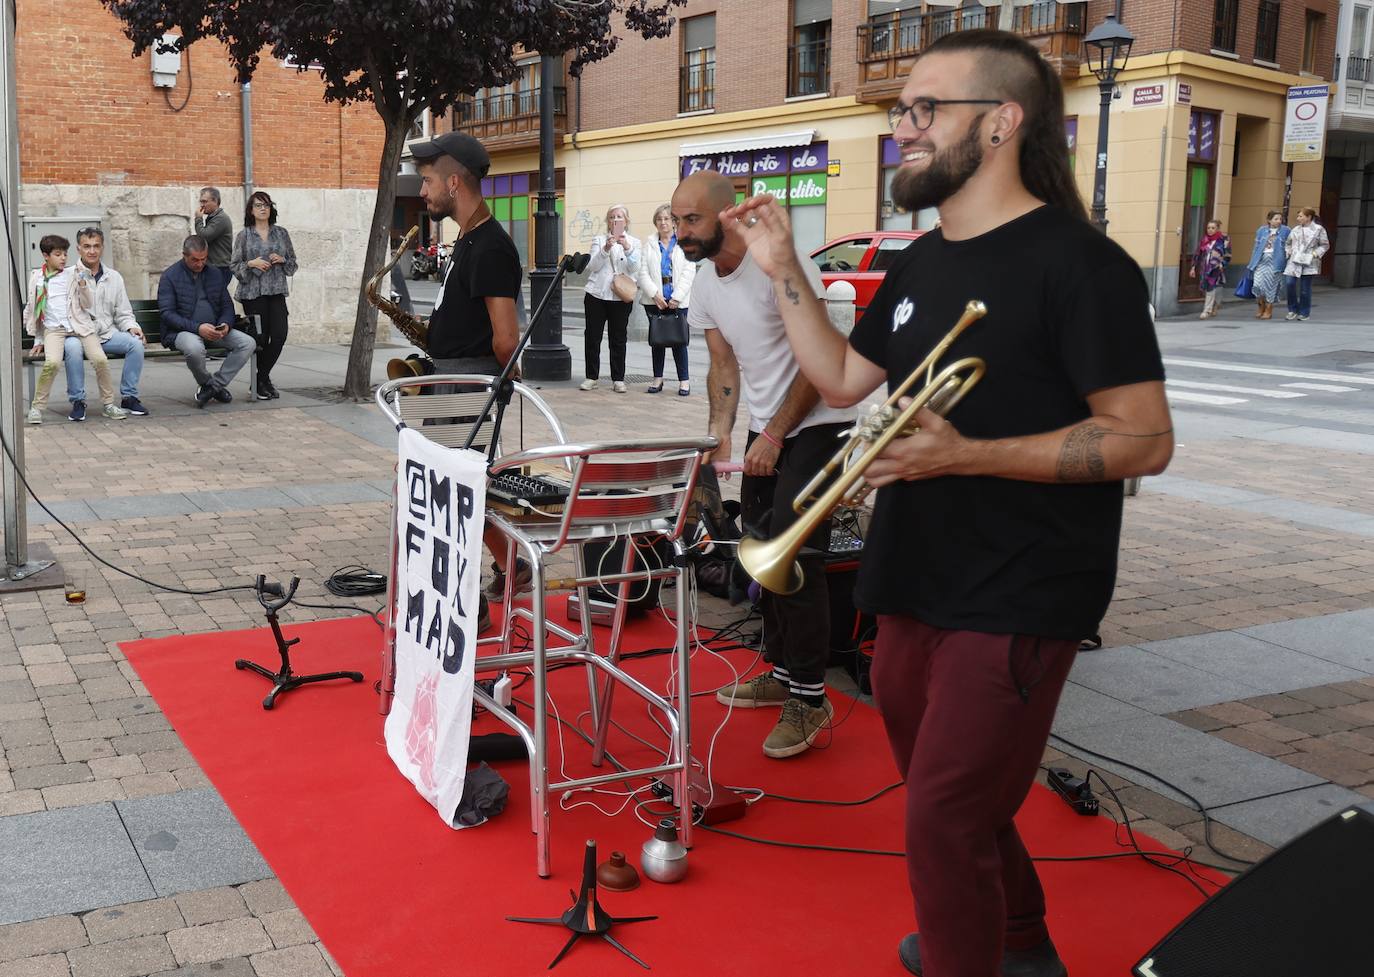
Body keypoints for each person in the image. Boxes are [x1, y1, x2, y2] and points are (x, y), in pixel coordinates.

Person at [722, 29, 1173, 977]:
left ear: (1002, 122)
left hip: (1023, 587)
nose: (905, 130)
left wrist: (969, 453)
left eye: (927, 110)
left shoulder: (1082, 266)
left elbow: (1143, 438)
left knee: (941, 816)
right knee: (953, 797)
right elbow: (843, 377)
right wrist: (783, 268)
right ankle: (1015, 938)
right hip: (915, 571)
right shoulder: (925, 262)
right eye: (902, 112)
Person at [673, 170, 855, 759]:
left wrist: (776, 433)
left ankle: (811, 699)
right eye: (676, 220)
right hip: (768, 427)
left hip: (822, 421)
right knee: (759, 551)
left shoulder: (778, 260)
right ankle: (782, 673)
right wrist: (719, 435)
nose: (681, 232)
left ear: (727, 215)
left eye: (691, 219)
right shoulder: (704, 281)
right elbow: (723, 367)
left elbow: (819, 353)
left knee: (795, 558)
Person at [407, 130, 531, 610]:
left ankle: (474, 582)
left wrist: (506, 375)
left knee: (453, 486)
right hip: (452, 380)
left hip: (467, 387)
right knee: (452, 485)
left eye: (428, 182)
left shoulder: (491, 247)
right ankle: (509, 564)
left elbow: (505, 336)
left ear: (454, 182)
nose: (423, 192)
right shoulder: (469, 239)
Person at [24, 235, 127, 424]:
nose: (63, 258)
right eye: (58, 254)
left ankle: (108, 404)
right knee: (52, 364)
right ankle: (37, 407)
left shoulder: (73, 273)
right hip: (54, 329)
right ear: (45, 256)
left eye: (65, 254)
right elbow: (34, 311)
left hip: (80, 325)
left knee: (100, 360)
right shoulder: (37, 278)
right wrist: (38, 339)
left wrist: (83, 285)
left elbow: (89, 305)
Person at [157, 235, 258, 407]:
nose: (199, 263)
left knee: (247, 343)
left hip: (215, 328)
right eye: (194, 260)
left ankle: (213, 386)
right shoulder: (170, 276)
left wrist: (226, 324)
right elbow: (167, 314)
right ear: (184, 255)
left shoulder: (214, 273)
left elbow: (226, 305)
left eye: (203, 259)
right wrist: (198, 328)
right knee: (194, 348)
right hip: (182, 331)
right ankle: (210, 385)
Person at [61, 228, 149, 419]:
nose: (91, 251)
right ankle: (78, 401)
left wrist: (132, 327)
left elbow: (123, 312)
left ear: (102, 248)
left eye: (96, 246)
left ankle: (129, 397)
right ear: (79, 249)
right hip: (79, 335)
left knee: (135, 343)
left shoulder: (114, 277)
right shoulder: (68, 276)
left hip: (106, 334)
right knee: (72, 348)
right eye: (86, 246)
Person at [231, 191, 298, 399]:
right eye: (258, 205)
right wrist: (251, 263)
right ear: (251, 210)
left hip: (276, 290)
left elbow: (293, 264)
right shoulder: (244, 235)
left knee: (279, 335)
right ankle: (262, 382)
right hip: (253, 293)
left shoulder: (281, 233)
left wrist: (282, 259)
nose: (263, 208)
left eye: (267, 205)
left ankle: (260, 378)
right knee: (260, 338)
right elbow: (234, 265)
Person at [636, 203, 695, 396]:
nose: (663, 223)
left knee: (679, 341)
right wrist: (655, 294)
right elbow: (642, 272)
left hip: (678, 299)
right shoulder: (649, 244)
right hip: (655, 300)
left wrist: (677, 297)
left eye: (667, 219)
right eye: (659, 219)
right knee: (658, 340)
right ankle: (657, 379)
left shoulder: (685, 242)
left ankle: (684, 381)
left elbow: (689, 271)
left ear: (674, 222)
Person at [581, 205, 639, 393]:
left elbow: (635, 268)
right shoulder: (599, 240)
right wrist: (606, 247)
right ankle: (591, 377)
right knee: (592, 336)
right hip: (597, 294)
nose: (615, 220)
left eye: (619, 217)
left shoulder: (634, 243)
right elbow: (593, 266)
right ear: (608, 221)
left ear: (626, 221)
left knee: (618, 337)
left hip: (621, 297)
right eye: (612, 217)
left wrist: (627, 247)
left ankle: (618, 378)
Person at [1283, 207, 1329, 321]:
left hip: (1309, 261)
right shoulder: (1295, 230)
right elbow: (1287, 243)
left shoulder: (1319, 229)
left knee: (1305, 288)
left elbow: (1325, 245)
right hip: (1294, 260)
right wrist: (1288, 252)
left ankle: (1304, 312)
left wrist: (1315, 253)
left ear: (1309, 217)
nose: (1298, 218)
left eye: (1301, 216)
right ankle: (1292, 309)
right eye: (1298, 216)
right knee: (1289, 284)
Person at [1245, 210, 1289, 320]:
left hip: (1275, 262)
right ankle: (1261, 306)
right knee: (1258, 285)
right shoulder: (1262, 230)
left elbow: (1289, 245)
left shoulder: (1286, 230)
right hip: (1261, 261)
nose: (1279, 221)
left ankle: (1269, 309)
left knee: (1270, 287)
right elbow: (1256, 246)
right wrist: (1252, 263)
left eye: (1280, 219)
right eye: (1276, 219)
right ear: (1269, 220)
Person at [1189, 218, 1231, 319]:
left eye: (1213, 228)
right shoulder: (1204, 240)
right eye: (1208, 228)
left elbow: (1228, 254)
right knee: (1207, 287)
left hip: (1216, 267)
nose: (1210, 230)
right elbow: (1197, 253)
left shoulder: (1224, 239)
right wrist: (1193, 267)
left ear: (1217, 229)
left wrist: (1222, 264)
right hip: (1205, 267)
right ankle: (1215, 304)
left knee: (1210, 287)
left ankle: (1206, 310)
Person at [195, 187, 233, 270]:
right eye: (201, 201)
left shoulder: (220, 218)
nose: (202, 205)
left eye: (204, 201)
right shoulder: (214, 217)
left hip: (220, 267)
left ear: (215, 201)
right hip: (215, 266)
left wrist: (198, 218)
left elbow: (203, 237)